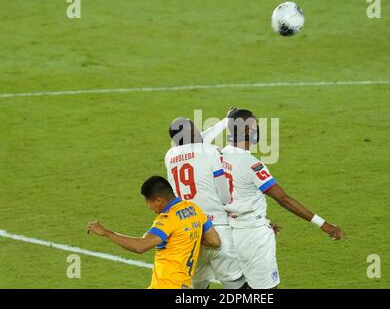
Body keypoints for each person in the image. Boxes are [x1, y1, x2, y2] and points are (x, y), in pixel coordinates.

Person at [208, 108, 344, 289]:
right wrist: (324, 225)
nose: (258, 130)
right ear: (246, 131)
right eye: (255, 126)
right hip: (253, 237)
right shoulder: (252, 165)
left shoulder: (218, 155)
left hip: (230, 233)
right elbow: (284, 199)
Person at [87, 175, 221, 289]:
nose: (148, 206)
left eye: (148, 202)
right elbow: (214, 241)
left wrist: (106, 232)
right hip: (185, 285)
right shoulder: (194, 209)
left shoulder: (168, 219)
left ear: (158, 200)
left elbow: (140, 246)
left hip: (166, 285)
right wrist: (185, 238)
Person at [165, 117, 246, 289]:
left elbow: (194, 143)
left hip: (189, 233)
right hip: (218, 229)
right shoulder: (210, 151)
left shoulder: (170, 156)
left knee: (198, 287)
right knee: (237, 287)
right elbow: (224, 192)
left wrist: (224, 122)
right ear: (192, 133)